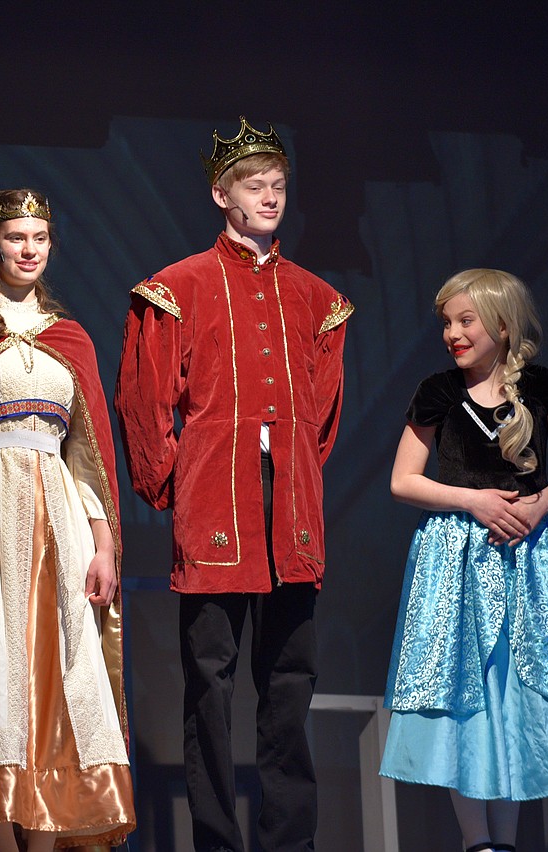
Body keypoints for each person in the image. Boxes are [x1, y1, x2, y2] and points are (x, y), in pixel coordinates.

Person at [114, 117, 352, 852]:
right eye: (256, 186)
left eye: (279, 185)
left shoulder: (318, 298)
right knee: (208, 690)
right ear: (222, 194)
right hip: (217, 504)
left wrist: (300, 479)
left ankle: (290, 841)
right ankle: (216, 839)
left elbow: (323, 416)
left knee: (290, 686)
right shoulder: (177, 288)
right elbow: (144, 397)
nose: (270, 197)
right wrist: (169, 479)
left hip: (291, 516)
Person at [0, 189, 135, 852]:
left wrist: (103, 542)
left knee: (61, 662)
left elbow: (88, 452)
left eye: (39, 237)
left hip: (60, 521)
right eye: (15, 237)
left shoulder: (70, 337)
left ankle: (45, 834)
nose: (29, 249)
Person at [379, 269, 548, 852]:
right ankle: (478, 842)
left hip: (527, 557)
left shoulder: (543, 387)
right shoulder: (438, 393)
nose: (452, 332)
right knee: (465, 691)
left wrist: (539, 506)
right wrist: (472, 501)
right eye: (446, 322)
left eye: (465, 320)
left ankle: (506, 841)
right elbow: (403, 480)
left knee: (516, 693)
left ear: (502, 323)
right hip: (456, 557)